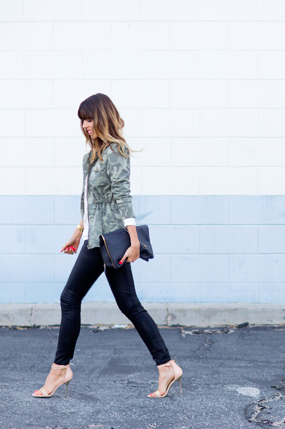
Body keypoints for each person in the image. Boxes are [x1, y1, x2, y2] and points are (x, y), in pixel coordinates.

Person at [32, 93, 183, 399]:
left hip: (109, 240)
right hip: (95, 237)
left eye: (89, 119)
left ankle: (60, 369)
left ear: (102, 117)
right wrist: (79, 230)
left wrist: (135, 242)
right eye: (82, 120)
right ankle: (167, 365)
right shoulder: (91, 157)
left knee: (69, 298)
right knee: (129, 304)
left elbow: (123, 198)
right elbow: (92, 201)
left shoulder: (116, 152)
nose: (85, 125)